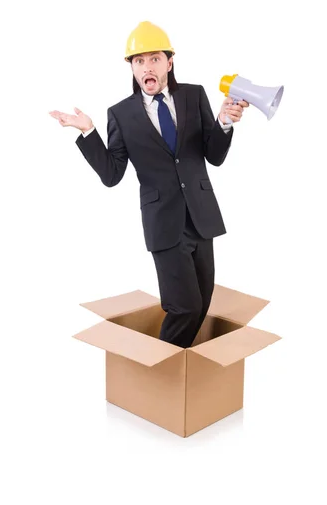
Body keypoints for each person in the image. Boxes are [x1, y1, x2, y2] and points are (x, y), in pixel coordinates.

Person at [50, 21, 249, 348]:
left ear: (169, 63)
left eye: (154, 58)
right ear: (131, 67)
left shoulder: (194, 96)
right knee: (184, 307)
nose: (147, 67)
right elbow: (112, 174)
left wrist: (224, 122)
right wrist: (87, 132)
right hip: (164, 224)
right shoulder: (121, 114)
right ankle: (158, 372)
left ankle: (181, 364)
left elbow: (214, 156)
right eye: (139, 61)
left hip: (201, 218)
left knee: (202, 301)